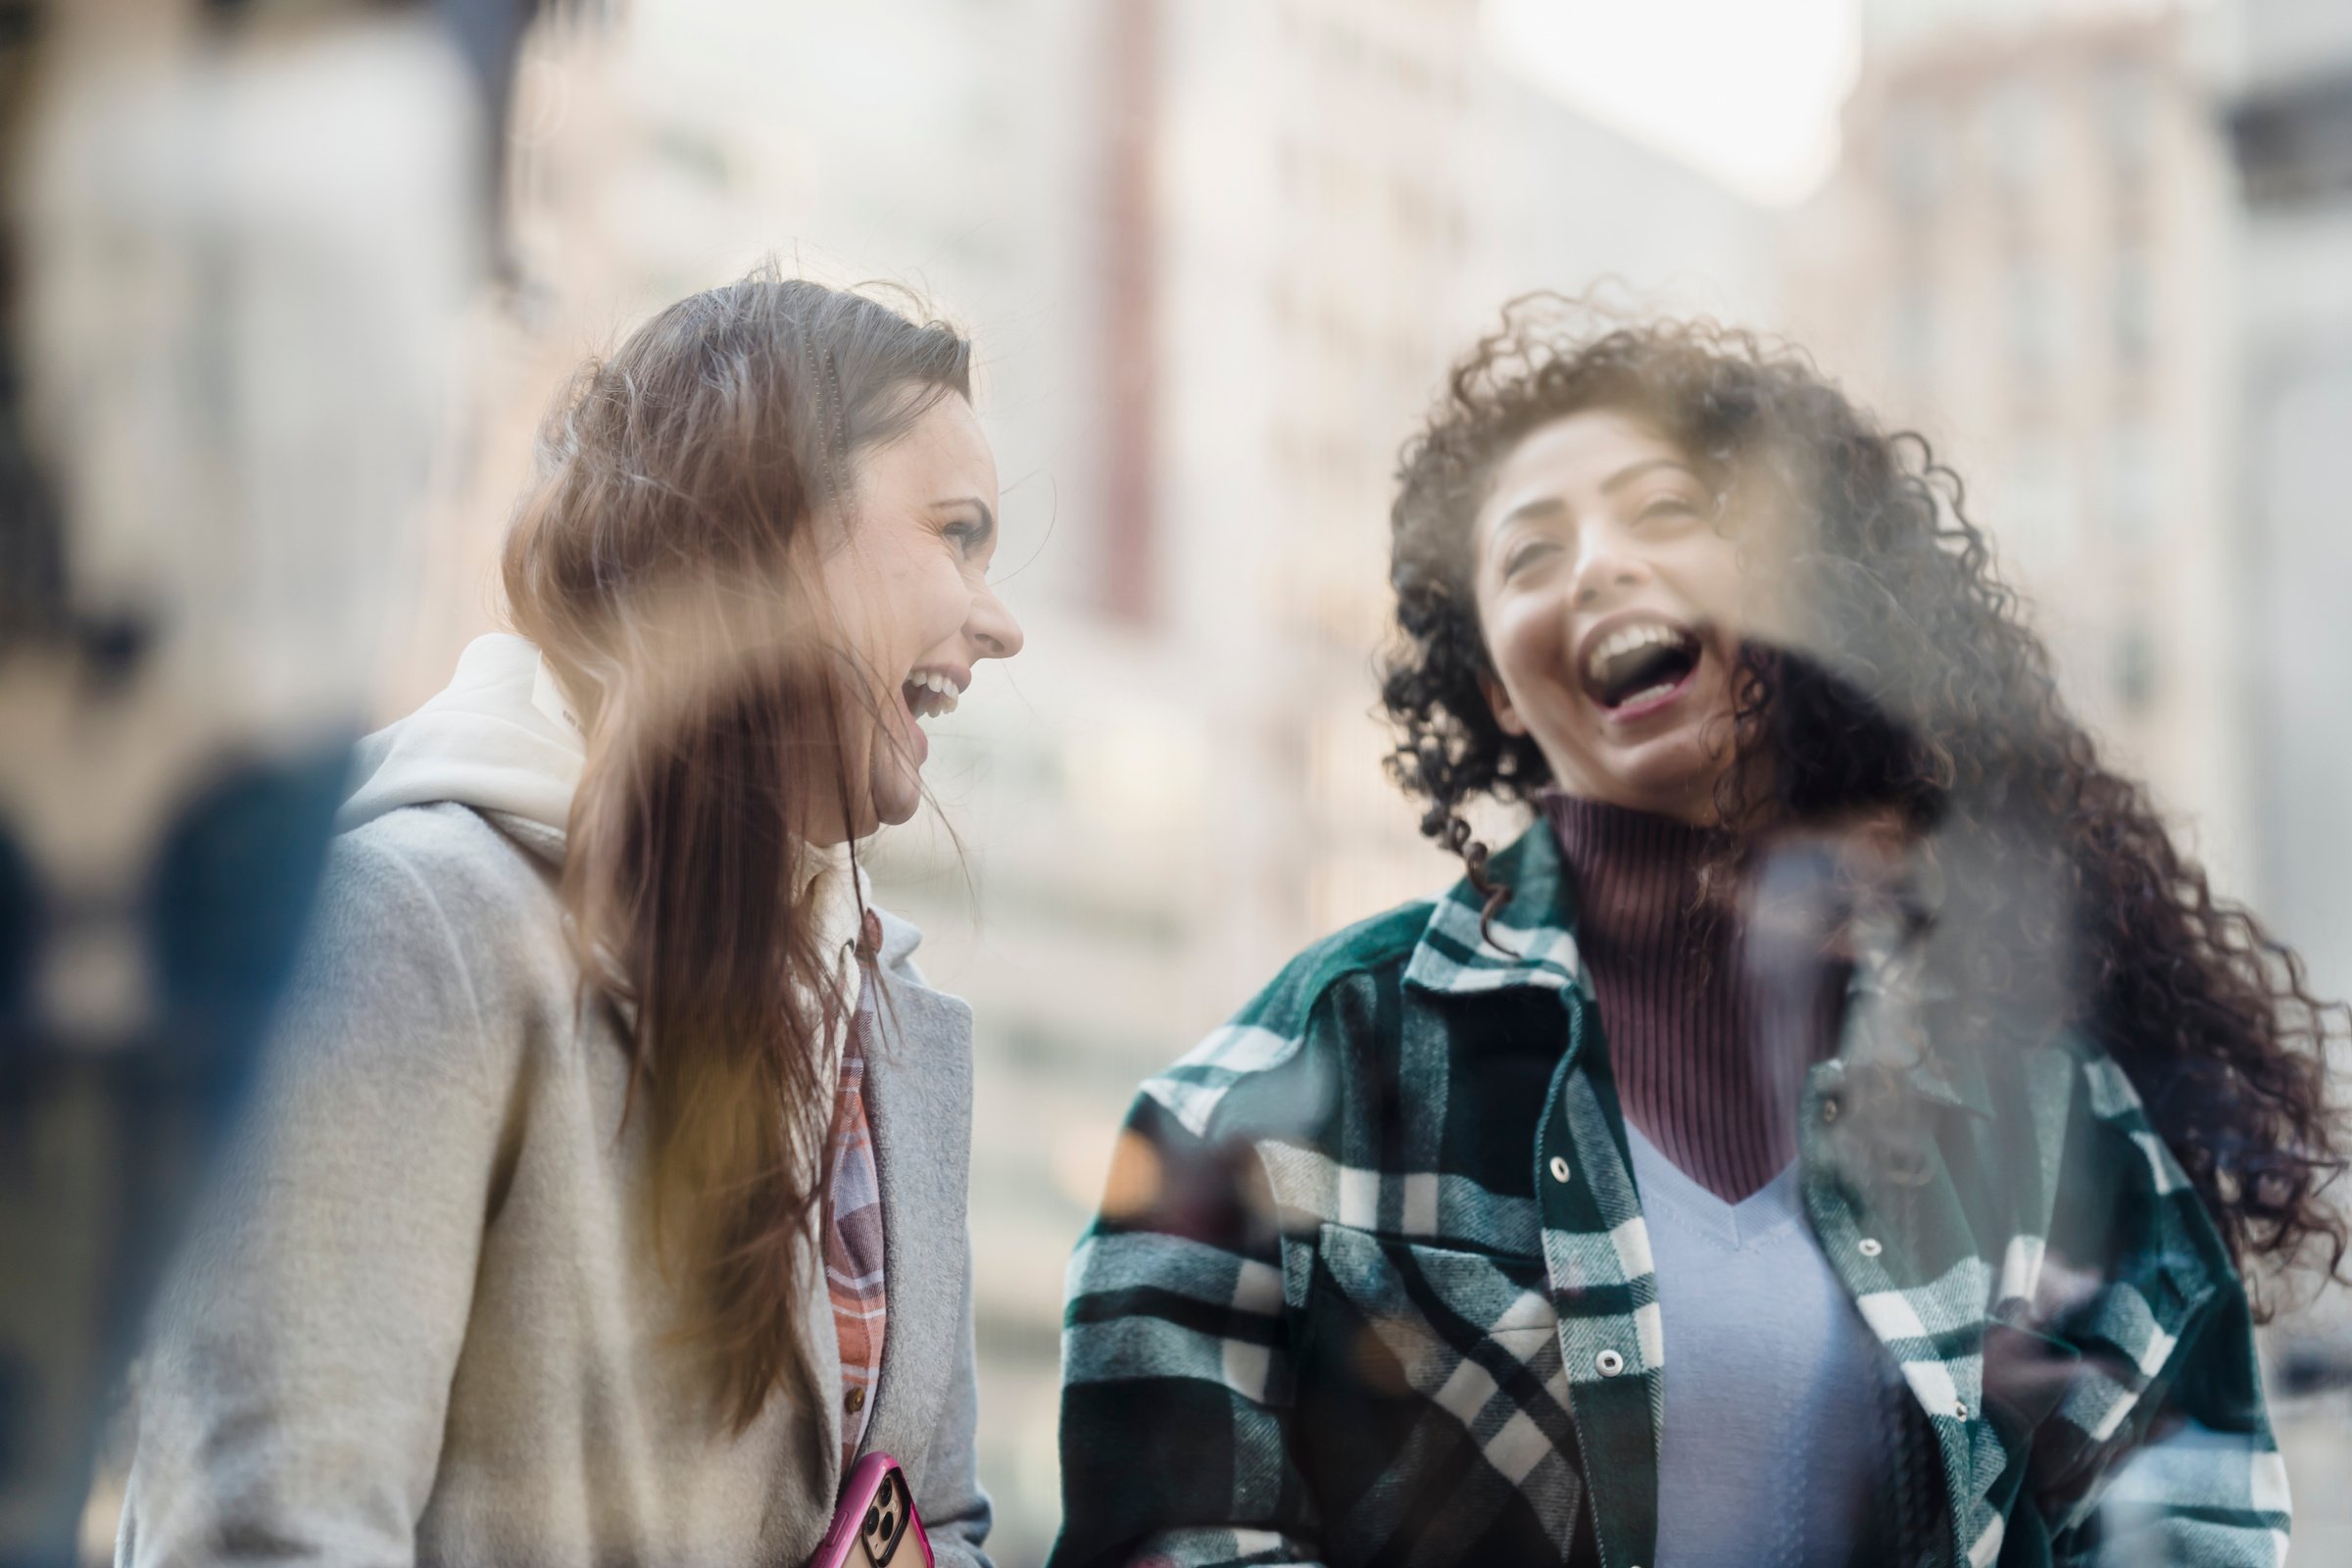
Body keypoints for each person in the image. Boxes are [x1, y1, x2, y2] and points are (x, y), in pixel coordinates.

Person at [1051, 303, 2344, 1568]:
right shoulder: (1315, 1070)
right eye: (1530, 552)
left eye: (1666, 510)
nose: (1602, 563)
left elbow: (2198, 1520)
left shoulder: (2050, 1114)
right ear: (1497, 681)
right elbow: (1164, 1528)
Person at [118, 272, 1022, 1567]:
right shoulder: (408, 925)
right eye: (957, 533)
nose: (1002, 624)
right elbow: (266, 1532)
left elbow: (937, 1523)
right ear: (772, 535)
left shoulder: (894, 1029)